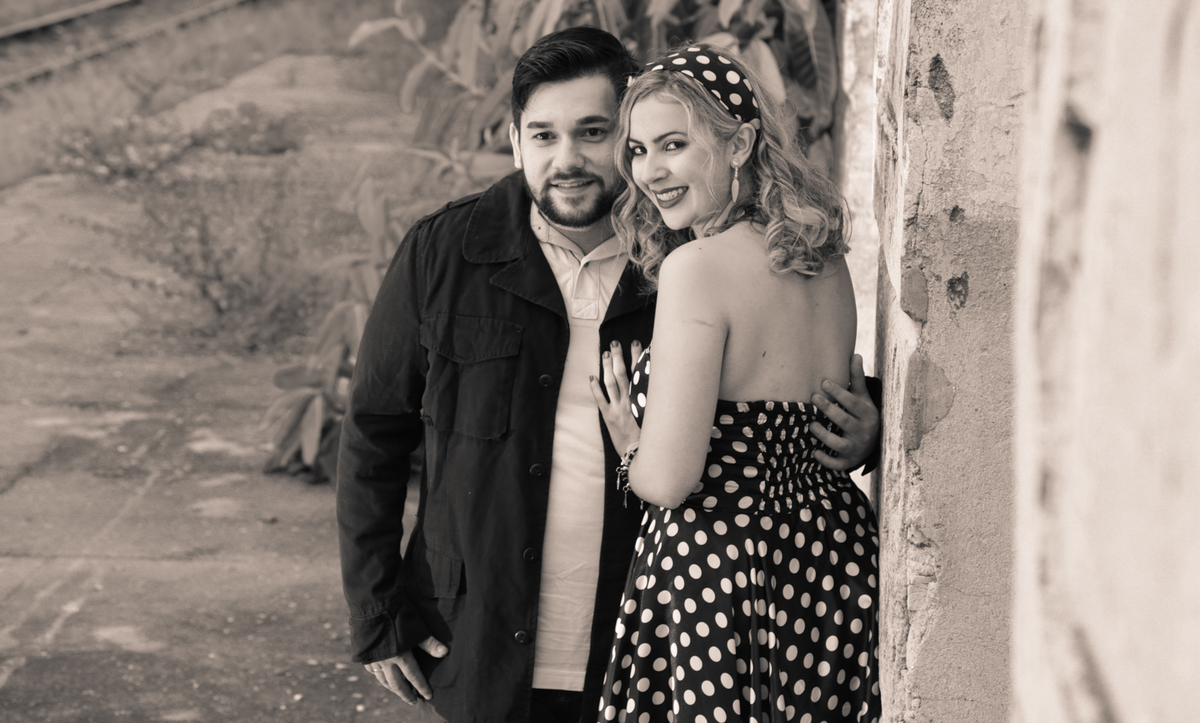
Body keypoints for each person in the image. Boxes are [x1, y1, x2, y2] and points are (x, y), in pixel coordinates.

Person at [336, 28, 881, 723]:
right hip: (483, 641)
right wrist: (377, 612)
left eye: (594, 132)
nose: (566, 159)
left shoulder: (685, 255)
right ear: (515, 142)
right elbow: (374, 434)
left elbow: (784, 382)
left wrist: (868, 426)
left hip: (655, 635)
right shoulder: (443, 252)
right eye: (543, 135)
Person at [591, 46, 881, 722]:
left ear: (740, 143)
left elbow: (671, 481)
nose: (649, 171)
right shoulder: (823, 260)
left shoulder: (697, 268)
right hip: (830, 555)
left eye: (673, 144)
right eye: (638, 150)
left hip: (719, 575)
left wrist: (632, 445)